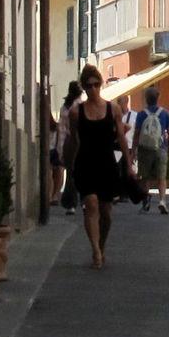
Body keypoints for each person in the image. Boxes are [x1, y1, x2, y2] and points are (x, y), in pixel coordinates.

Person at [65, 66, 131, 268]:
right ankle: (95, 251)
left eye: (96, 84)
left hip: (106, 163)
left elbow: (121, 138)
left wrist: (128, 164)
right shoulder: (76, 112)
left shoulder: (113, 109)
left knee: (107, 212)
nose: (93, 89)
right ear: (84, 88)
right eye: (89, 86)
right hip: (85, 162)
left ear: (100, 85)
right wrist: (70, 166)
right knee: (91, 204)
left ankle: (101, 245)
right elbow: (73, 141)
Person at [130, 87, 169, 213]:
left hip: (145, 149)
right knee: (162, 177)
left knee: (145, 177)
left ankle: (146, 202)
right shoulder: (164, 113)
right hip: (161, 147)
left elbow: (137, 133)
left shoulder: (142, 114)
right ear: (158, 98)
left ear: (146, 99)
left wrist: (133, 150)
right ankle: (162, 200)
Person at [56, 79, 82, 215]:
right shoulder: (81, 106)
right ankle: (84, 201)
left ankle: (71, 204)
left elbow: (61, 131)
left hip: (68, 143)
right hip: (81, 143)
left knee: (71, 173)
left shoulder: (64, 107)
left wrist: (60, 150)